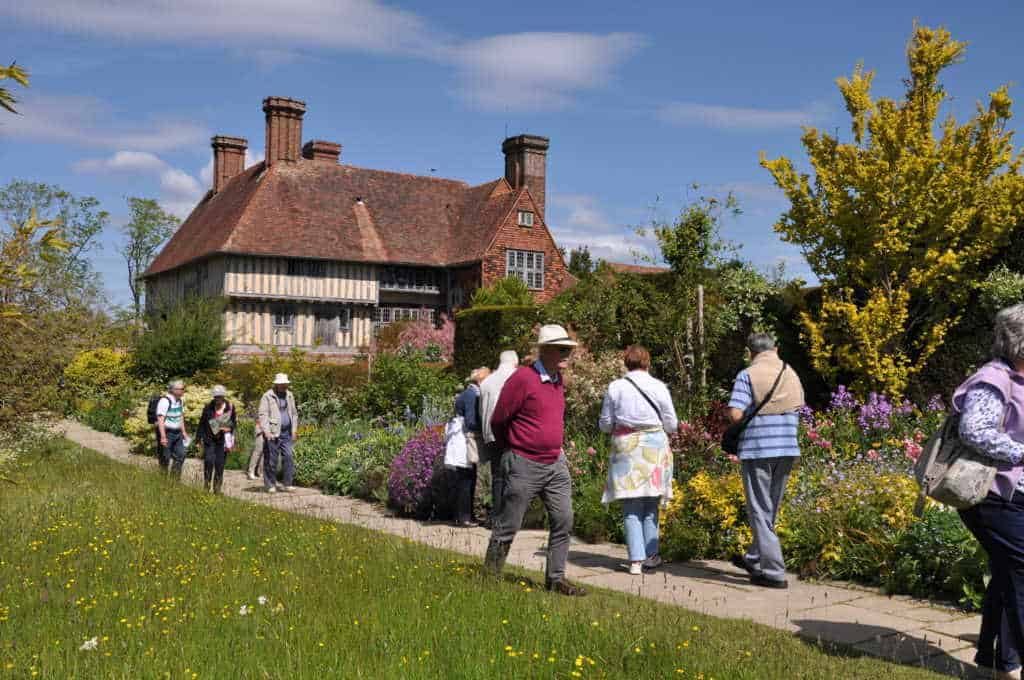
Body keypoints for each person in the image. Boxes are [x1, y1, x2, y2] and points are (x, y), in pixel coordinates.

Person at [484, 324, 586, 597]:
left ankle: (556, 579)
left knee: (563, 519)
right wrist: (514, 450)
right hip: (524, 462)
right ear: (545, 350)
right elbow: (498, 420)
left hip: (555, 463)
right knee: (509, 524)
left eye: (569, 349)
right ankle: (490, 577)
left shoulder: (557, 380)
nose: (567, 354)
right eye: (562, 349)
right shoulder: (522, 379)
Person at [955, 304, 1024, 680]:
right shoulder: (994, 379)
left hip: (1015, 494)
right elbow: (975, 431)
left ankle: (1000, 662)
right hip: (993, 494)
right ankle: (1010, 663)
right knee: (1020, 567)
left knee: (1008, 571)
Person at [727, 332, 804, 589]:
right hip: (787, 447)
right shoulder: (790, 372)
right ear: (776, 348)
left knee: (759, 509)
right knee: (770, 507)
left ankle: (773, 572)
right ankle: (754, 557)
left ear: (751, 352)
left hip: (759, 447)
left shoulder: (747, 375)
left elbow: (736, 414)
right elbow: (798, 406)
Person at [598, 345, 678, 576]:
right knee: (651, 505)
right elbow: (671, 423)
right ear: (648, 363)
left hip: (626, 448)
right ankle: (651, 556)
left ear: (626, 363)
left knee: (630, 505)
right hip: (654, 448)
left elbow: (605, 423)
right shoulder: (659, 387)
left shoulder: (616, 387)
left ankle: (635, 560)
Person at [479, 351, 520, 525]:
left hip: (491, 432)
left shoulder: (486, 382)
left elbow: (482, 410)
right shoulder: (517, 378)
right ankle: (509, 517)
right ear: (515, 363)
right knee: (514, 474)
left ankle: (496, 516)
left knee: (497, 475)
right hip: (512, 432)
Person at [450, 367, 490, 526]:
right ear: (481, 381)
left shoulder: (467, 393)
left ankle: (464, 515)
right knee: (467, 478)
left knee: (465, 478)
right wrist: (485, 427)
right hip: (466, 440)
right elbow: (470, 421)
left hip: (461, 439)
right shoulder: (472, 395)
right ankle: (464, 517)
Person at [258, 373, 299, 494]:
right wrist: (266, 431)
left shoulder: (289, 395)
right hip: (273, 433)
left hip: (286, 433)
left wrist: (294, 430)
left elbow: (294, 414)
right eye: (281, 384)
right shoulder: (267, 396)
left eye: (285, 384)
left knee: (289, 457)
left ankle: (287, 483)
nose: (284, 386)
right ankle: (270, 484)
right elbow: (263, 414)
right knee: (271, 460)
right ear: (276, 384)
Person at [198, 385, 236, 494]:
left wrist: (228, 428)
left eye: (219, 397)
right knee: (209, 461)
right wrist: (198, 439)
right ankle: (206, 486)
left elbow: (233, 423)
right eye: (215, 397)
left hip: (222, 441)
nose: (217, 399)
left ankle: (217, 489)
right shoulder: (208, 407)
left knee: (220, 464)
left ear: (223, 397)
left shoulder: (230, 407)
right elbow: (202, 423)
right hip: (209, 439)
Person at [156, 379, 190, 479]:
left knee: (181, 455)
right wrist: (162, 436)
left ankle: (174, 480)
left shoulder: (180, 401)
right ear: (173, 390)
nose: (183, 391)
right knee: (165, 458)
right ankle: (162, 480)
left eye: (183, 388)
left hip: (178, 433)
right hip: (167, 433)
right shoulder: (165, 401)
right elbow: (160, 419)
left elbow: (180, 416)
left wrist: (184, 432)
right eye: (181, 389)